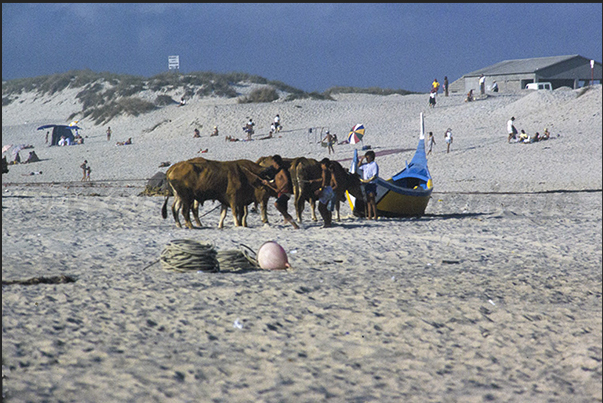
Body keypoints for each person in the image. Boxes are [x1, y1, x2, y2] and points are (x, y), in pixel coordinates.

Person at [261, 155, 299, 229]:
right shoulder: (277, 173)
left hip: (285, 192)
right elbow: (276, 183)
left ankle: (293, 223)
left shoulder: (282, 171)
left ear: (276, 162)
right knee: (283, 208)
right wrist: (268, 183)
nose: (272, 164)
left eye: (273, 162)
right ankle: (290, 222)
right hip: (280, 193)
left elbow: (286, 181)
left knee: (277, 204)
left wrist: (280, 189)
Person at [312, 158, 338, 228]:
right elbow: (335, 183)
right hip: (330, 189)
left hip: (326, 190)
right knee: (326, 207)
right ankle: (328, 222)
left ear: (324, 164)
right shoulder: (331, 171)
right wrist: (314, 180)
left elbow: (323, 183)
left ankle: (326, 222)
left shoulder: (324, 171)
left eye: (321, 164)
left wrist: (320, 190)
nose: (321, 166)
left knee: (321, 208)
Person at [358, 150, 379, 220]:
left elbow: (375, 175)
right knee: (368, 201)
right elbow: (358, 167)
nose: (367, 159)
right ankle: (369, 215)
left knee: (372, 199)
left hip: (371, 183)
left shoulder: (374, 164)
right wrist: (361, 159)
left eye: (368, 157)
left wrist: (369, 180)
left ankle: (375, 215)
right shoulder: (365, 165)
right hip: (366, 184)